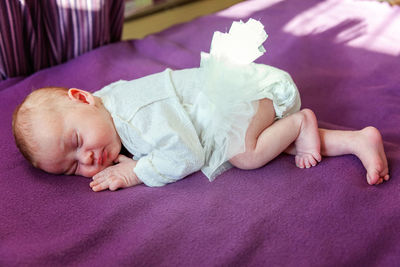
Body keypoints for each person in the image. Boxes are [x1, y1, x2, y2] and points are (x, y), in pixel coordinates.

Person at [12, 19, 389, 192]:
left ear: (82, 97)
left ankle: (301, 122)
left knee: (245, 153)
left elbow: (185, 154)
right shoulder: (105, 104)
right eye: (71, 168)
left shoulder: (134, 116)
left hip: (250, 94)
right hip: (238, 102)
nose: (89, 159)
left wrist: (136, 172)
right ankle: (358, 141)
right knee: (280, 148)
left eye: (77, 141)